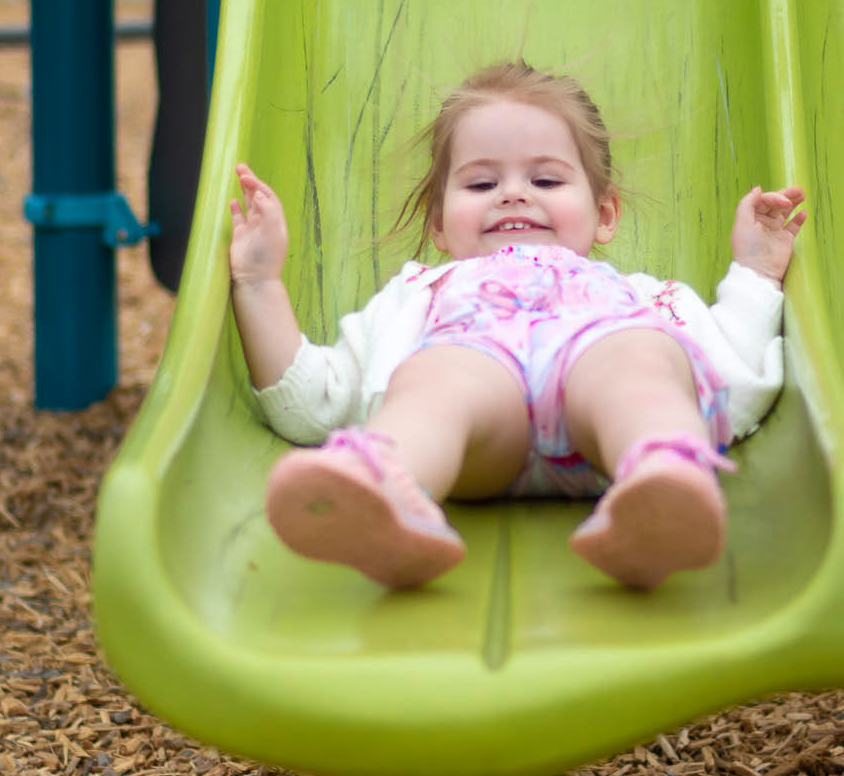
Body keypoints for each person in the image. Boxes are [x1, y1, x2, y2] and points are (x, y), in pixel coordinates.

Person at [229, 61, 806, 591]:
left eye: (546, 181)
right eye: (481, 184)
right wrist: (258, 284)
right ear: (438, 223)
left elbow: (730, 369)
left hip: (601, 430)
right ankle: (384, 487)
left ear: (605, 213)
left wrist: (755, 272)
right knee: (438, 377)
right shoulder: (416, 294)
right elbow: (316, 400)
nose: (512, 194)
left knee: (637, 360)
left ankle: (664, 478)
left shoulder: (642, 294)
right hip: (480, 441)